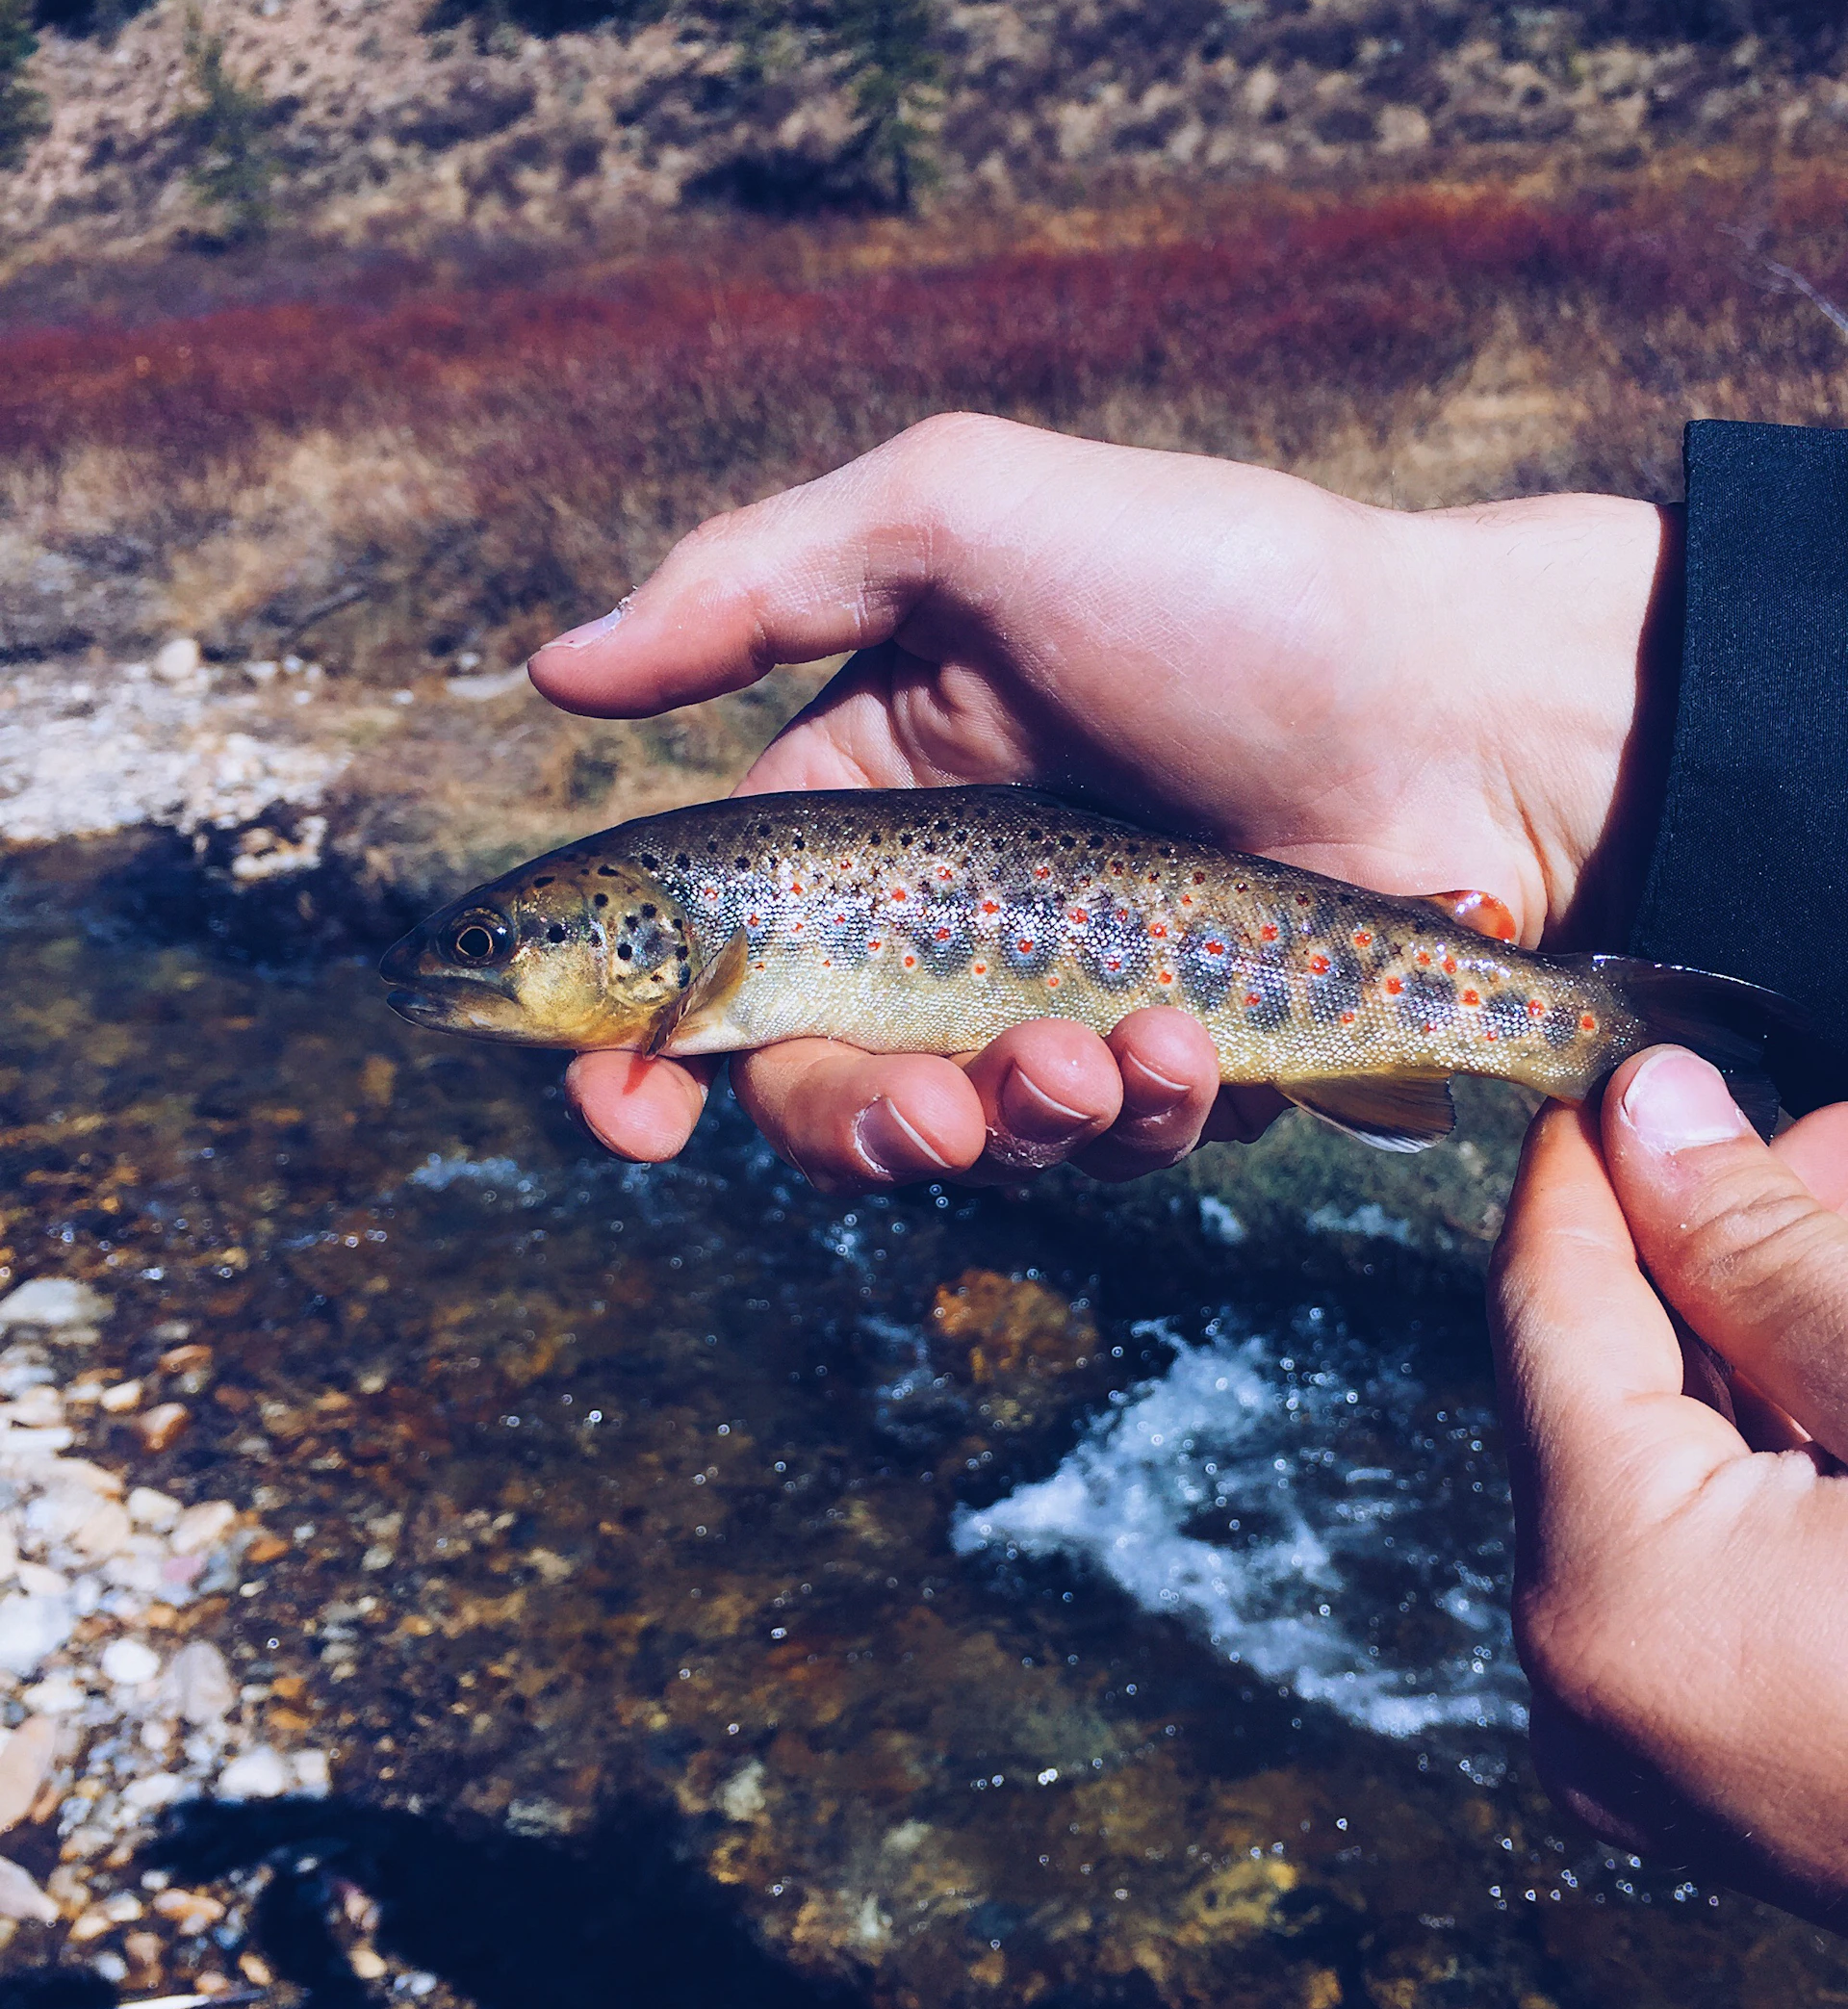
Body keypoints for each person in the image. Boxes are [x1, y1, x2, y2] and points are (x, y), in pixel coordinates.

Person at [526, 413, 1848, 1925]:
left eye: (504, 953)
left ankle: (1577, 1022)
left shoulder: (716, 906)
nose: (483, 971)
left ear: (637, 945)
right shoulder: (712, 901)